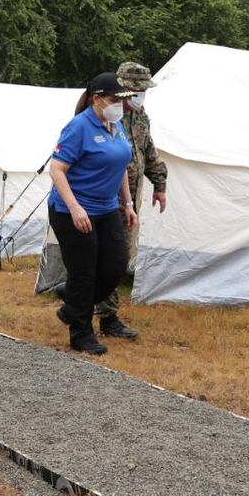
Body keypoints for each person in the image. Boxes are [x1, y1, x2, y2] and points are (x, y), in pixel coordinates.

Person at [48, 73, 138, 355]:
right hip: (72, 210)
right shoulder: (79, 127)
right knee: (84, 271)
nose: (120, 107)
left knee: (115, 265)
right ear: (97, 99)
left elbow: (121, 164)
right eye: (115, 101)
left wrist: (128, 204)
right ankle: (81, 335)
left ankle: (72, 303)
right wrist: (75, 208)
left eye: (123, 101)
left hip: (108, 207)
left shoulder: (116, 126)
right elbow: (56, 170)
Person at [89, 61, 169, 341]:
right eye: (135, 91)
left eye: (143, 91)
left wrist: (159, 184)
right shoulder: (104, 116)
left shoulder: (140, 117)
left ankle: (95, 310)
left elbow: (148, 151)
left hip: (128, 199)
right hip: (102, 198)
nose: (140, 96)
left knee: (118, 258)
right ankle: (102, 316)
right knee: (106, 258)